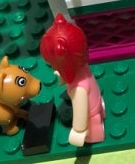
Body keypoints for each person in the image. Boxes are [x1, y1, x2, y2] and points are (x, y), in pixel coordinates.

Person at [40, 14, 105, 146]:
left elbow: (80, 111)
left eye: (53, 65)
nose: (53, 69)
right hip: (98, 102)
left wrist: (78, 131)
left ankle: (94, 136)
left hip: (91, 116)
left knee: (91, 132)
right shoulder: (83, 66)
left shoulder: (79, 88)